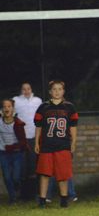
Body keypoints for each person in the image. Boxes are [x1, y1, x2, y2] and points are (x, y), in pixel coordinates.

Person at [34, 80, 79, 208]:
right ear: (50, 91)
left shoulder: (70, 107)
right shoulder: (43, 107)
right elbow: (38, 127)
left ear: (63, 91)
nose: (57, 92)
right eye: (54, 89)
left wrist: (74, 142)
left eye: (60, 89)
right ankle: (42, 199)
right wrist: (37, 142)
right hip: (47, 144)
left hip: (63, 144)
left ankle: (63, 199)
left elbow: (73, 127)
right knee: (44, 173)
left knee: (63, 173)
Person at [13, 82, 42, 200]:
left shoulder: (38, 101)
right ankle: (23, 195)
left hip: (34, 137)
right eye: (24, 89)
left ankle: (35, 193)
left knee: (34, 166)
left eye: (28, 88)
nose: (26, 91)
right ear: (21, 90)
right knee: (22, 167)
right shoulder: (16, 100)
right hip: (21, 138)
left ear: (31, 89)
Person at [0, 99, 27, 204]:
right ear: (2, 109)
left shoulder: (18, 123)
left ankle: (18, 189)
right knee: (7, 176)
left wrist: (13, 147)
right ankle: (13, 198)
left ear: (13, 109)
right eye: (4, 107)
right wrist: (4, 147)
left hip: (16, 152)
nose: (7, 108)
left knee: (16, 177)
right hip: (3, 152)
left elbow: (23, 141)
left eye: (9, 106)